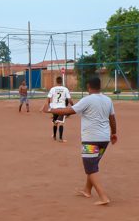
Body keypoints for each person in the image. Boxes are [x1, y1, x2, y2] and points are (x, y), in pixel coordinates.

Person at [48, 76, 117, 206]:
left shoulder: (87, 100)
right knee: (93, 163)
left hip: (91, 139)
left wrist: (51, 110)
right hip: (104, 139)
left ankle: (103, 197)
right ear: (99, 87)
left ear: (88, 87)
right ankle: (87, 190)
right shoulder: (108, 100)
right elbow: (112, 118)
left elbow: (70, 110)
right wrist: (114, 133)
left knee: (90, 168)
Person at [41, 76, 72, 142]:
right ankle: (60, 138)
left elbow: (48, 99)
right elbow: (69, 100)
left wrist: (46, 106)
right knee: (61, 123)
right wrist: (73, 106)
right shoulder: (65, 89)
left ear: (56, 81)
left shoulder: (53, 89)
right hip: (62, 108)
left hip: (54, 108)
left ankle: (54, 136)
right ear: (62, 81)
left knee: (55, 123)